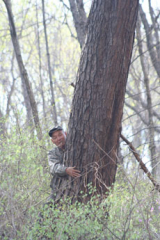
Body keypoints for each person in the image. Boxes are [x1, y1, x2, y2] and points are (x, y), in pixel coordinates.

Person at [48, 126, 81, 200]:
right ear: (52, 141)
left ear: (65, 134)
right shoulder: (52, 153)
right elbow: (53, 168)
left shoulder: (75, 146)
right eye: (55, 137)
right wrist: (66, 170)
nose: (58, 139)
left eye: (60, 135)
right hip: (58, 189)